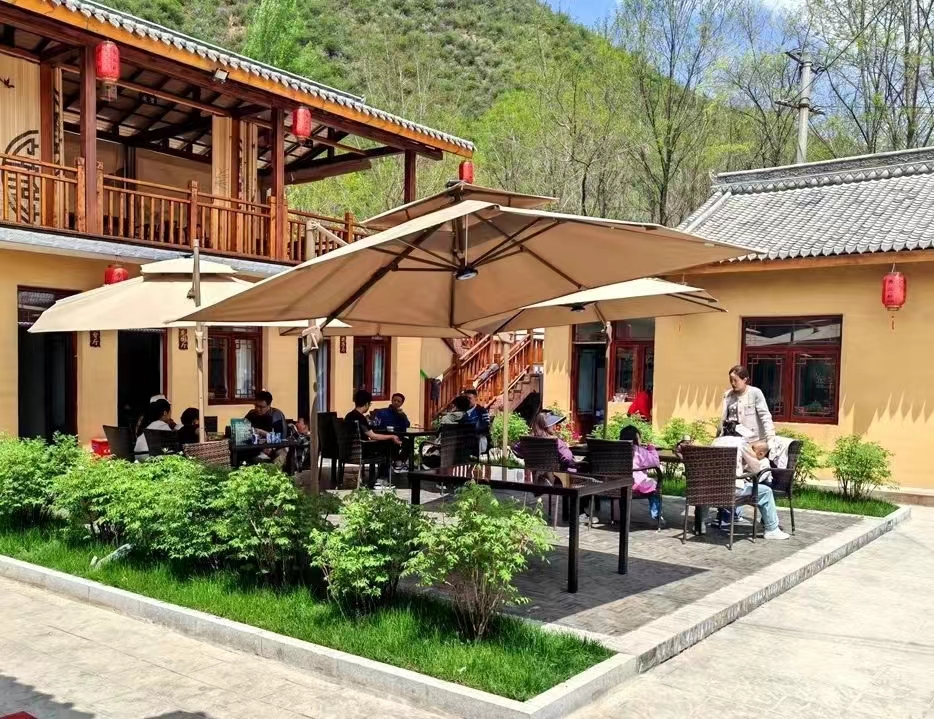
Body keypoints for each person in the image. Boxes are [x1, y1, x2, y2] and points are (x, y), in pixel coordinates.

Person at [720, 365, 775, 444]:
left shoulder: (755, 393)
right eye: (731, 380)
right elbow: (723, 418)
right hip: (733, 440)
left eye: (735, 380)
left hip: (753, 441)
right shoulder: (728, 395)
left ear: (744, 380)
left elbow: (765, 416)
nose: (733, 383)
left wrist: (770, 437)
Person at [619, 425, 662, 520]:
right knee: (654, 485)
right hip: (635, 485)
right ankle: (656, 515)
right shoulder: (639, 451)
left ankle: (617, 517)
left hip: (616, 484)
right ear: (636, 438)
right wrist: (651, 449)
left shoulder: (616, 450)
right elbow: (655, 462)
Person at [513, 411, 577, 472]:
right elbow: (568, 458)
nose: (555, 427)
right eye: (553, 424)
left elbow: (516, 449)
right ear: (546, 425)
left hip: (533, 476)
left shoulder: (526, 441)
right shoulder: (557, 442)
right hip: (552, 476)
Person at [463, 389, 491, 453]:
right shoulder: (461, 412)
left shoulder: (482, 411)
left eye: (469, 398)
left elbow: (485, 427)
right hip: (464, 445)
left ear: (475, 398)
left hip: (477, 445)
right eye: (465, 398)